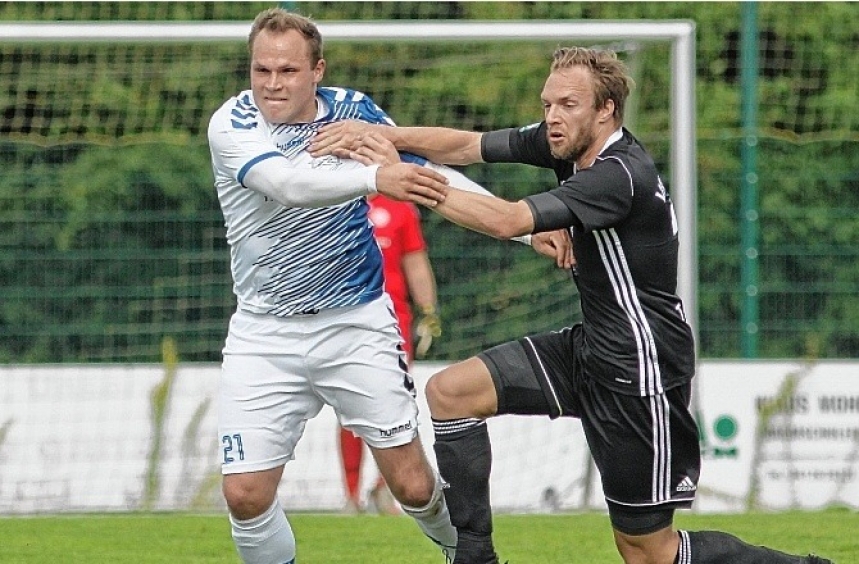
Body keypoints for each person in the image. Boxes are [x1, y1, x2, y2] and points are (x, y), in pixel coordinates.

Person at [310, 47, 833, 564]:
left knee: (650, 552)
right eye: (547, 105)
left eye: (568, 105)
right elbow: (467, 146)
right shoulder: (565, 145)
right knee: (450, 393)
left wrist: (405, 177)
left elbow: (508, 220)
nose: (552, 118)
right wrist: (386, 136)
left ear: (605, 109)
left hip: (640, 368)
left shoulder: (618, 173)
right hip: (591, 348)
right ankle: (473, 557)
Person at [207, 8, 459, 563]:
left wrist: (522, 223)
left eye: (288, 71)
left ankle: (473, 556)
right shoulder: (233, 124)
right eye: (262, 70)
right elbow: (286, 182)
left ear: (317, 70)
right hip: (263, 332)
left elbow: (424, 170)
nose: (272, 83)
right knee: (244, 495)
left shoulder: (354, 112)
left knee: (414, 487)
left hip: (356, 323)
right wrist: (376, 176)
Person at [339, 194, 442, 515]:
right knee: (350, 408)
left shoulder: (399, 208)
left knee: (394, 405)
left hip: (393, 323)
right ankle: (352, 495)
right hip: (344, 320)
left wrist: (428, 312)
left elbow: (416, 262)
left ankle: (385, 489)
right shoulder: (332, 202)